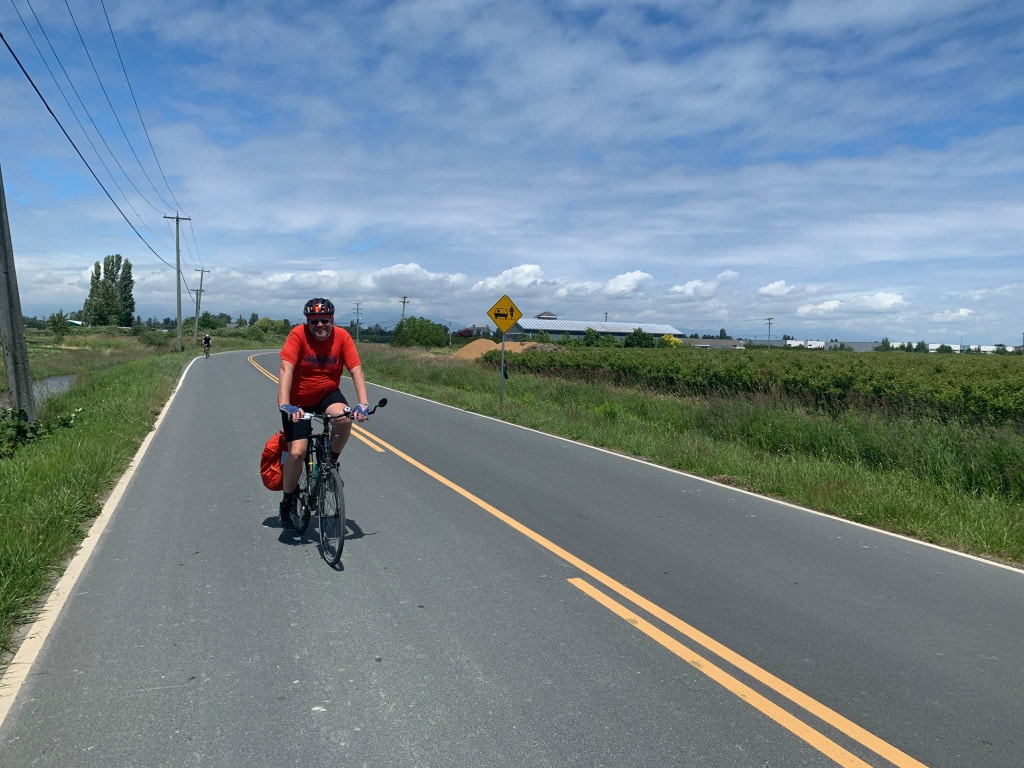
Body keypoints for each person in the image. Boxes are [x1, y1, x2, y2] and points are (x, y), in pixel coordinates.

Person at [276, 297, 370, 528]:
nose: (320, 325)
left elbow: (356, 369)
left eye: (324, 320)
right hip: (297, 401)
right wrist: (285, 403)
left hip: (327, 394)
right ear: (308, 321)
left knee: (344, 419)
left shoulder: (342, 337)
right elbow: (286, 368)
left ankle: (330, 463)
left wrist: (363, 404)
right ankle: (288, 500)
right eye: (314, 321)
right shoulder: (298, 334)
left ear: (332, 320)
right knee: (297, 453)